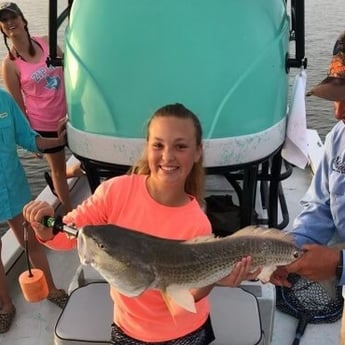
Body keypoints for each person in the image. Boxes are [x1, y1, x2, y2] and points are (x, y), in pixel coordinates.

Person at [23, 103, 260, 344]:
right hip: (128, 328)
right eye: (158, 145)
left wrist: (215, 279)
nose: (167, 156)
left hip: (185, 332)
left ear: (198, 152)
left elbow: (184, 303)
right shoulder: (115, 192)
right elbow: (69, 235)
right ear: (147, 147)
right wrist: (46, 230)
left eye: (180, 146)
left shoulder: (196, 223)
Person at [270, 31, 345, 288]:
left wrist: (339, 264)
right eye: (336, 97)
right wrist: (288, 251)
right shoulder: (339, 138)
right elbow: (320, 207)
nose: (338, 113)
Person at [0, 2, 82, 213]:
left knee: (83, 157)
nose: (10, 23)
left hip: (70, 115)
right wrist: (32, 138)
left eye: (13, 17)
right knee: (57, 170)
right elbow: (18, 107)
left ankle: (70, 171)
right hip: (44, 125)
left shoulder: (48, 43)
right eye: (4, 20)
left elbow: (71, 73)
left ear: (23, 20)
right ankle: (70, 212)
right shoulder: (9, 65)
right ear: (1, 28)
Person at [0, 87, 69, 333]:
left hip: (14, 187)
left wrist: (59, 141)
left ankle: (51, 289)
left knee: (30, 240)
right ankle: (6, 306)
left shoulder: (4, 100)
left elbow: (29, 139)